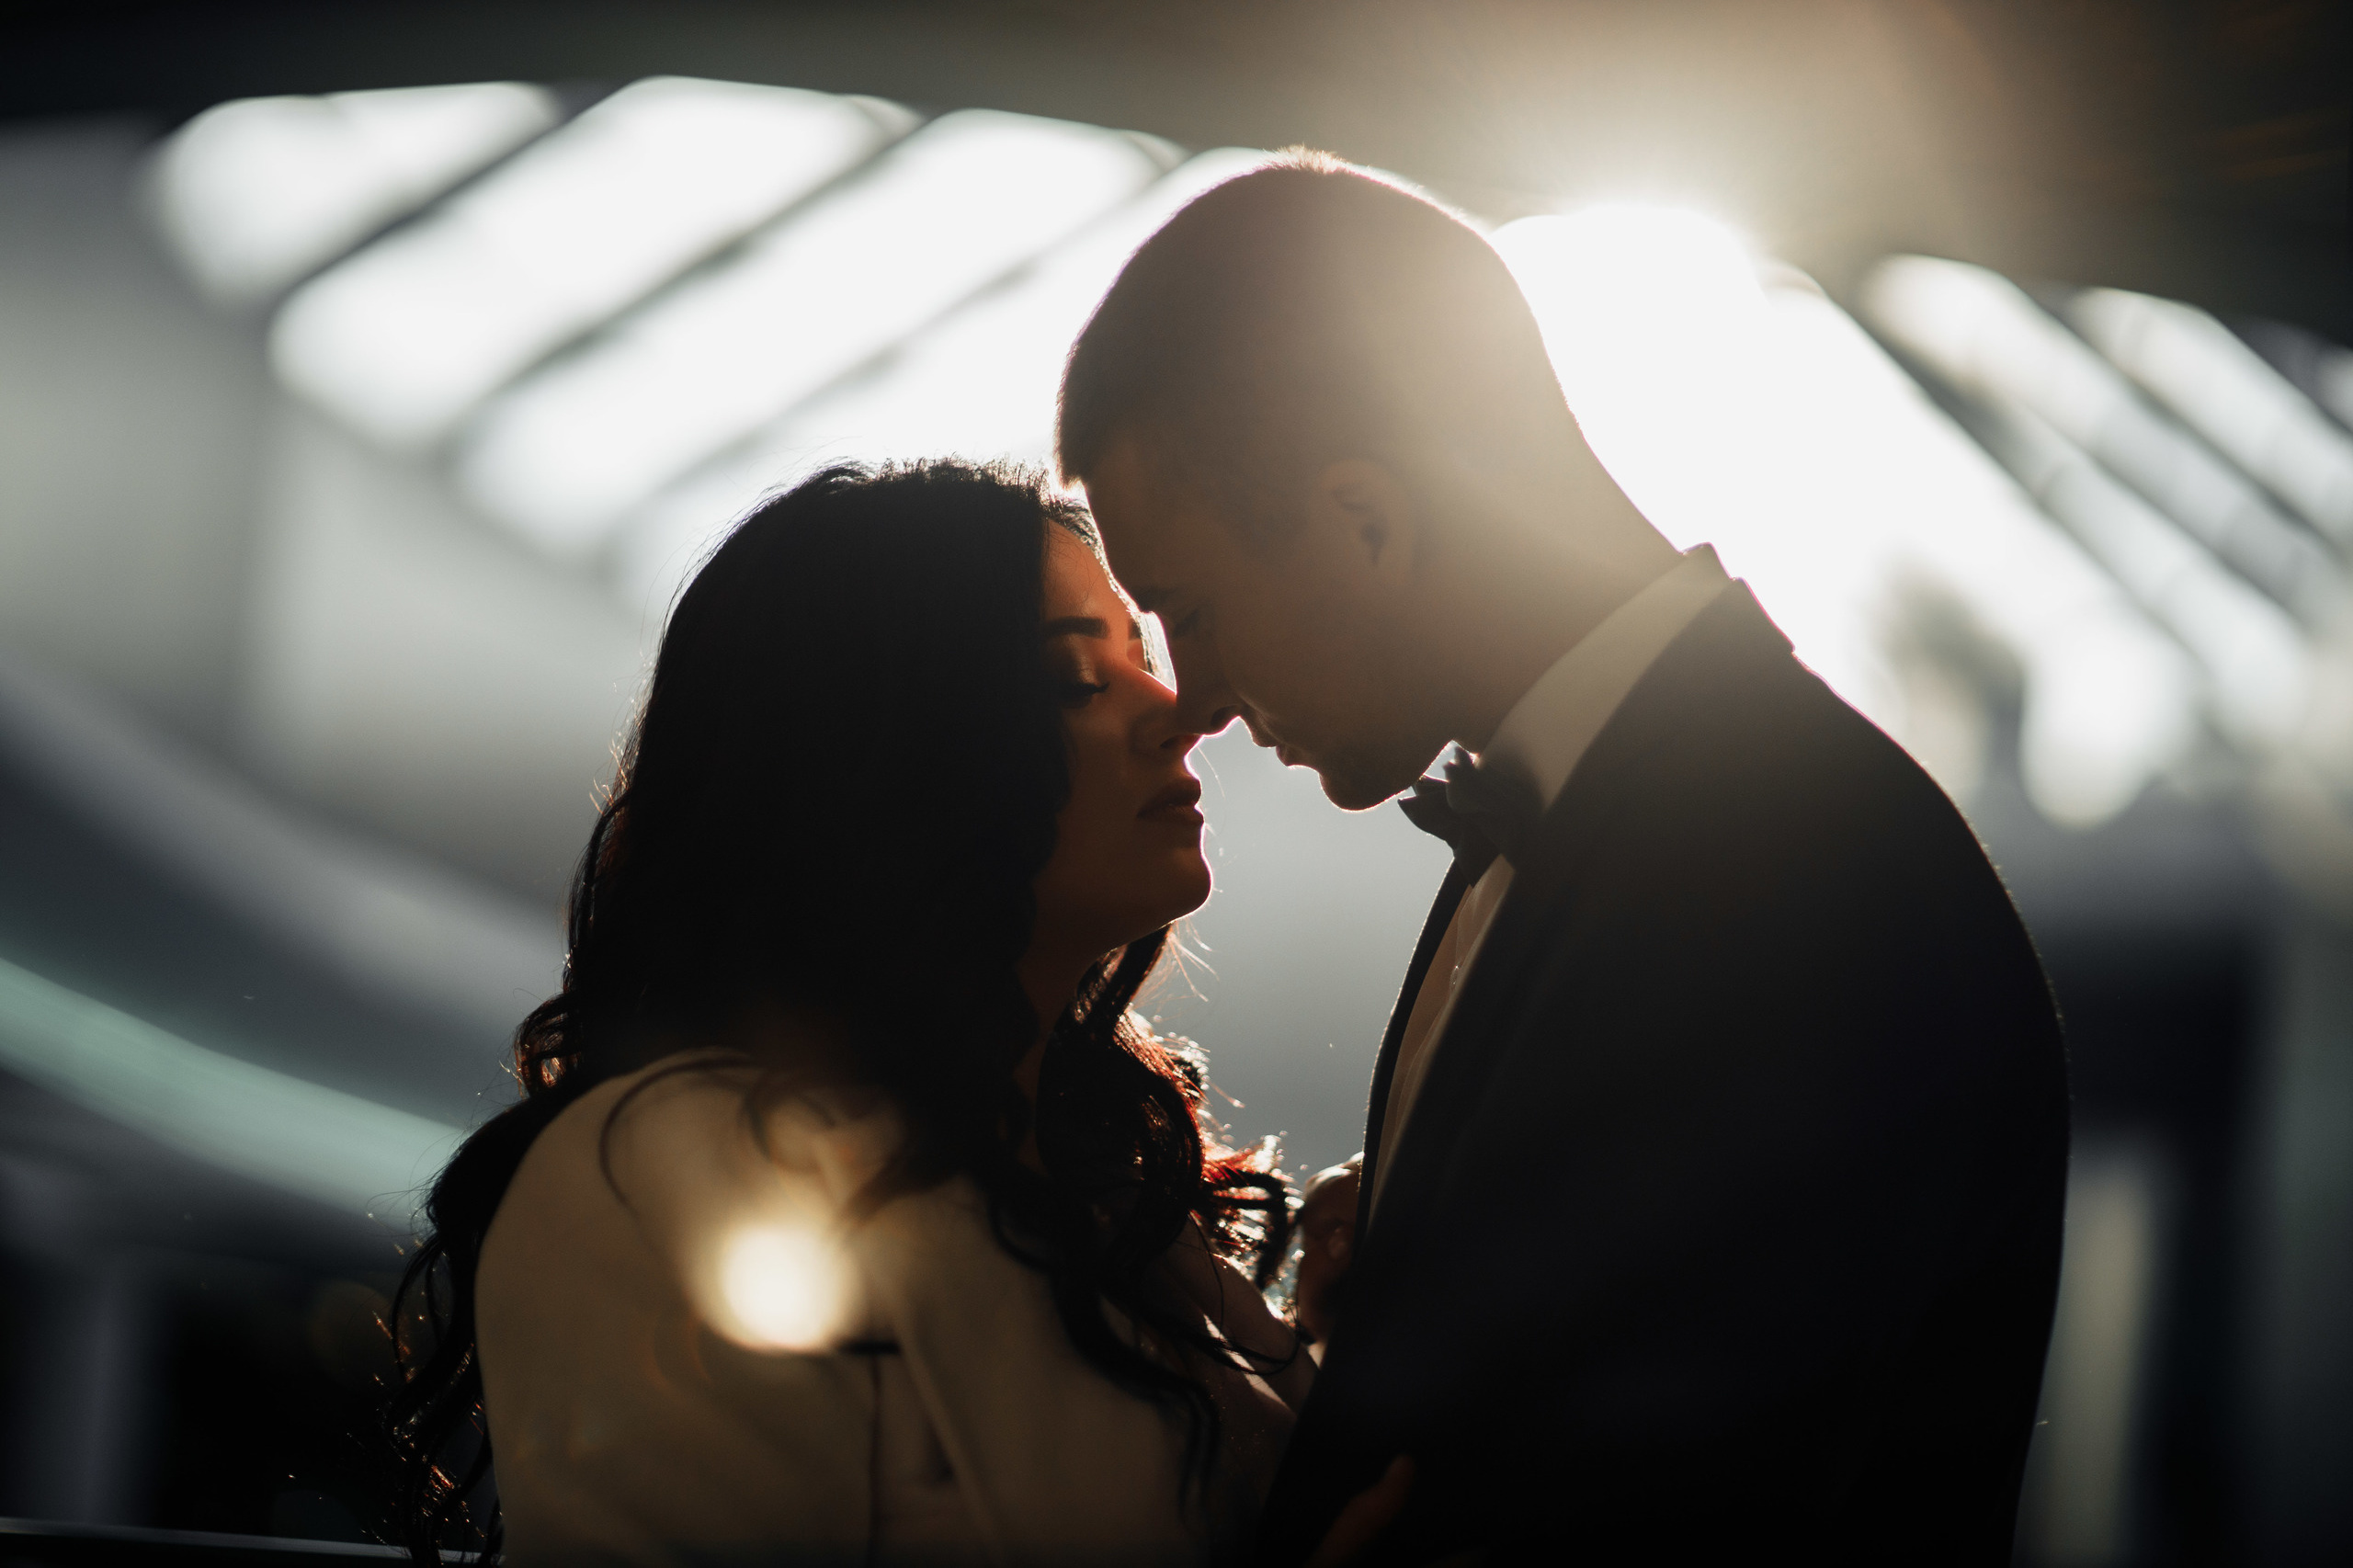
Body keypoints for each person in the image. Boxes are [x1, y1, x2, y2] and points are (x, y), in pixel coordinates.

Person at [1057, 153, 2071, 1563]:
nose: (1198, 694)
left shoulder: (1798, 878)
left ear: (1366, 522)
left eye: (1194, 608)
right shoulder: (1611, 819)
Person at [381, 461, 1313, 1566]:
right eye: (1073, 677)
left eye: (1141, 656)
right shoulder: (672, 1173)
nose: (1180, 711)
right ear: (889, 757)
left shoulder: (1108, 1181)